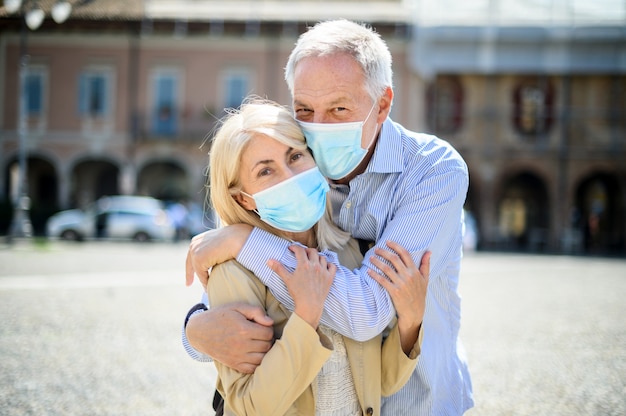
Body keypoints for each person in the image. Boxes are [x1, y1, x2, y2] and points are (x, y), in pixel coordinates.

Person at [185, 19, 473, 415]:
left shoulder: (433, 171)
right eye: (305, 109)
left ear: (383, 104)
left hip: (419, 401)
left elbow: (368, 312)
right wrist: (194, 329)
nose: (318, 128)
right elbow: (232, 302)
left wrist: (241, 240)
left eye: (339, 108)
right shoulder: (303, 163)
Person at [201, 98, 428, 415]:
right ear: (244, 199)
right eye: (266, 171)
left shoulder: (349, 250)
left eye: (295, 156)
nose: (289, 176)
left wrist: (412, 322)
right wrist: (306, 316)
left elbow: (380, 384)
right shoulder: (233, 274)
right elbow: (248, 407)